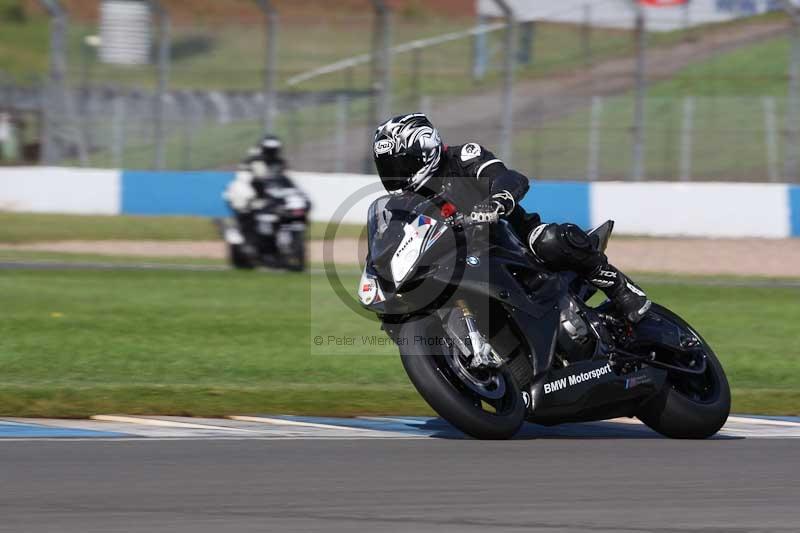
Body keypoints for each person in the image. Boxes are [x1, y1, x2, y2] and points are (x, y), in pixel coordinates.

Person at [371, 113, 651, 323]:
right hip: (458, 258)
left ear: (425, 150)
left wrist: (498, 200)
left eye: (400, 164)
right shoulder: (403, 203)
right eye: (388, 168)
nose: (395, 174)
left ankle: (622, 290)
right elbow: (392, 240)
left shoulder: (463, 157)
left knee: (550, 240)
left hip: (512, 239)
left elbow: (507, 177)